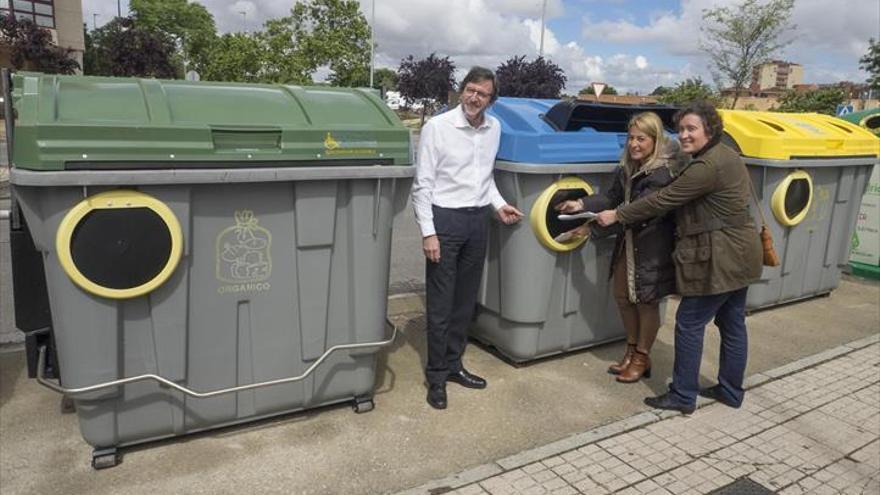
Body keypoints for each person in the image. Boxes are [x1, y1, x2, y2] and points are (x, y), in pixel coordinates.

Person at [594, 101, 762, 414]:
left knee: (689, 322)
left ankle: (683, 395)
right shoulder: (727, 154)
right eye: (681, 128)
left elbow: (663, 200)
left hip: (719, 256)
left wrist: (617, 215)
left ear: (709, 129)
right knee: (732, 321)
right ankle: (729, 389)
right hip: (742, 252)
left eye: (691, 129)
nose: (683, 135)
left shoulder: (705, 166)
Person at [411, 66, 524, 410]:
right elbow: (422, 186)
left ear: (492, 99)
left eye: (483, 93)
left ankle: (455, 364)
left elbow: (484, 178)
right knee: (441, 303)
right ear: (462, 91)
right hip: (445, 220)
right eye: (471, 90)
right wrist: (428, 233)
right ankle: (436, 375)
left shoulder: (494, 128)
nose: (475, 97)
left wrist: (500, 205)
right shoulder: (437, 127)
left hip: (478, 221)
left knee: (464, 303)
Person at [556, 112, 686, 383]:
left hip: (651, 247)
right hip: (628, 243)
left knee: (646, 302)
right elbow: (612, 197)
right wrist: (581, 205)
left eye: (641, 139)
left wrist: (596, 225)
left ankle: (641, 356)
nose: (634, 144)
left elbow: (642, 210)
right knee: (623, 298)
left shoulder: (661, 173)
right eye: (631, 138)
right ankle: (631, 350)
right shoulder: (629, 166)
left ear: (655, 140)